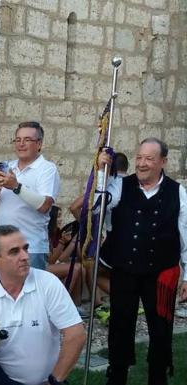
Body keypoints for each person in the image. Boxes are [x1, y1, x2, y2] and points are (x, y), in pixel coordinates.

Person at [96, 138, 187, 385]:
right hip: (124, 269)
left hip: (161, 273)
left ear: (163, 162)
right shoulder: (119, 185)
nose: (142, 163)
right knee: (120, 325)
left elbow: (185, 234)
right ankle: (117, 376)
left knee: (161, 328)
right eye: (139, 157)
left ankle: (158, 377)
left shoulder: (177, 191)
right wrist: (102, 175)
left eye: (149, 158)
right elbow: (98, 207)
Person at [0, 225, 85, 385]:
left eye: (25, 249)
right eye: (14, 252)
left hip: (46, 381)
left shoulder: (47, 283)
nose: (25, 256)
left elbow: (76, 334)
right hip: (2, 380)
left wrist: (54, 381)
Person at [0, 121, 60, 270]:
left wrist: (16, 187)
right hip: (2, 247)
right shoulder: (7, 167)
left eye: (27, 139)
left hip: (31, 247)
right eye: (18, 140)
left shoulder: (47, 169)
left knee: (30, 291)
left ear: (39, 143)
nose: (21, 144)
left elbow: (44, 206)